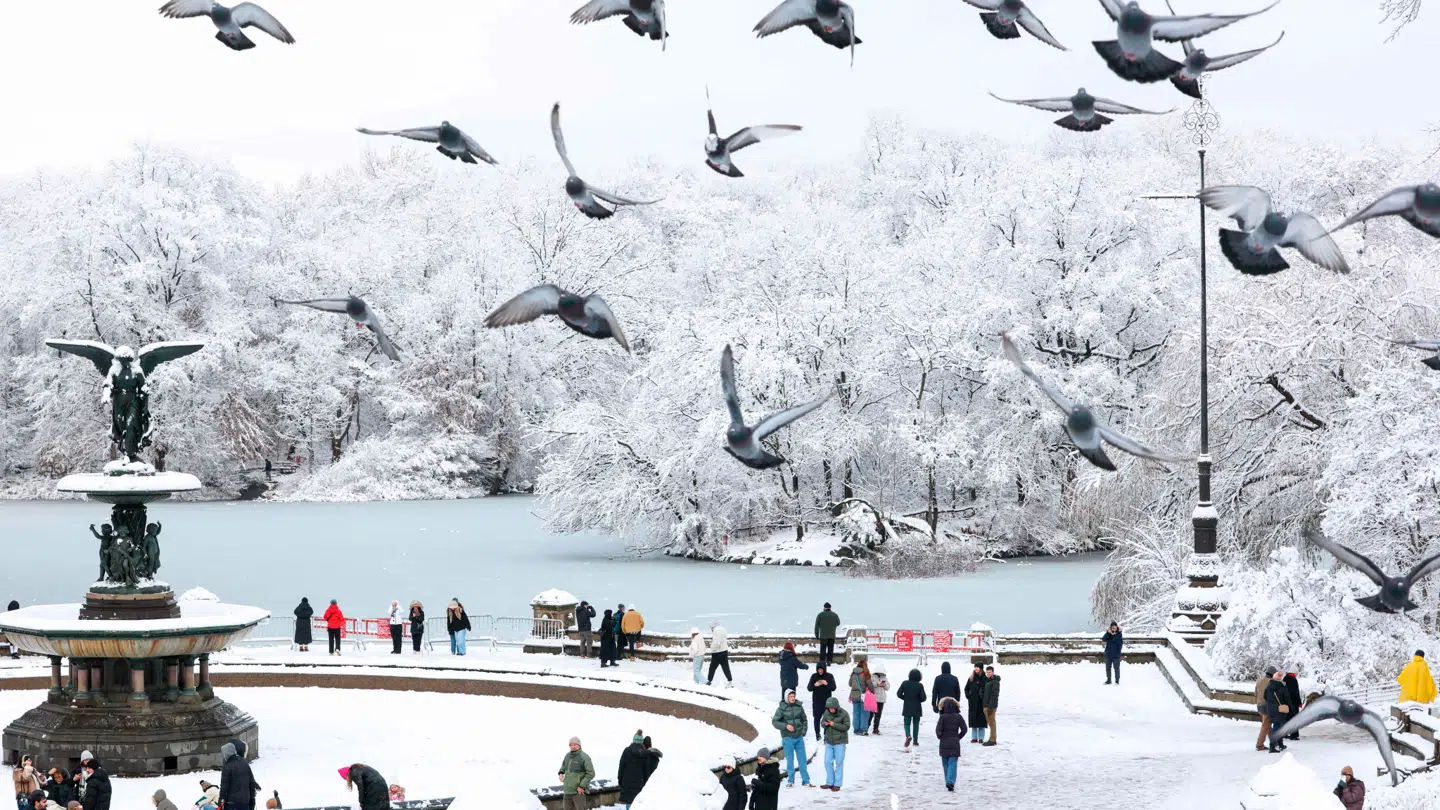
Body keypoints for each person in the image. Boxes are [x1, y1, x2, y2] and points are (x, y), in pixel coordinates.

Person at [771, 689, 812, 788]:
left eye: (794, 696)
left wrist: (803, 732)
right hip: (787, 738)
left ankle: (806, 780)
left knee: (802, 760)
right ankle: (791, 781)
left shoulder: (799, 706)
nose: (793, 698)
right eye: (790, 697)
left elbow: (804, 720)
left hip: (799, 738)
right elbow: (775, 722)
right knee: (790, 760)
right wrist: (785, 726)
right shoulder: (781, 709)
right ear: (786, 697)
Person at [935, 697, 967, 792]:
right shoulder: (958, 716)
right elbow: (964, 729)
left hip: (944, 743)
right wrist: (958, 737)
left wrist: (941, 737)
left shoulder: (942, 717)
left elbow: (938, 730)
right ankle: (950, 781)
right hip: (955, 743)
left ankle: (948, 780)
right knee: (953, 763)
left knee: (945, 763)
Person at [820, 697, 851, 792]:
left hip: (840, 742)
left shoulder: (844, 713)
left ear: (836, 707)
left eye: (832, 708)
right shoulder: (826, 712)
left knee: (839, 762)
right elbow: (822, 723)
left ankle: (837, 784)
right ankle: (829, 782)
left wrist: (834, 724)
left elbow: (846, 727)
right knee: (827, 762)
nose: (831, 710)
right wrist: (825, 724)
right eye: (829, 708)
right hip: (829, 741)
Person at [557, 737, 595, 810]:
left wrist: (582, 786)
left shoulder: (584, 757)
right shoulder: (567, 755)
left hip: (578, 792)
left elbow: (591, 773)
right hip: (567, 791)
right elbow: (563, 766)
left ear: (579, 745)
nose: (573, 746)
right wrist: (561, 773)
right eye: (571, 745)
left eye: (575, 745)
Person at [219, 742, 260, 810]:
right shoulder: (244, 763)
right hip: (245, 802)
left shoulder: (227, 766)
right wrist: (252, 801)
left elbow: (224, 788)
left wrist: (220, 804)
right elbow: (251, 782)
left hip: (231, 803)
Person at [616, 731, 650, 809]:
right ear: (641, 742)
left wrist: (620, 779)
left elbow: (621, 767)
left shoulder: (627, 751)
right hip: (639, 783)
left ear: (633, 740)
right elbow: (646, 771)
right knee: (638, 804)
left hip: (627, 782)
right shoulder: (645, 753)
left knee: (629, 802)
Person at [896, 668, 928, 749]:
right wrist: (917, 700)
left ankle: (908, 735)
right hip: (917, 708)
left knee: (907, 723)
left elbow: (898, 694)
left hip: (907, 707)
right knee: (916, 724)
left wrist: (905, 698)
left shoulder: (905, 683)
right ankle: (915, 741)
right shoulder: (920, 685)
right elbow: (923, 698)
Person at [1264, 669, 1291, 753]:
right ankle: (1272, 746)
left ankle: (1280, 744)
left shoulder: (1269, 685)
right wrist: (1290, 707)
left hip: (1271, 709)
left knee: (1277, 726)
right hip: (1280, 709)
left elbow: (1265, 696)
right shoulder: (1281, 686)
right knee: (1277, 727)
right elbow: (1287, 699)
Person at [808, 664, 837, 741]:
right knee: (816, 719)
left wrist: (826, 683)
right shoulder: (814, 676)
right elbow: (809, 688)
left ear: (824, 669)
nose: (820, 671)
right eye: (819, 669)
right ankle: (817, 734)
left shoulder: (829, 676)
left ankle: (826, 735)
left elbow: (833, 688)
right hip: (816, 702)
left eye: (821, 669)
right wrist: (815, 685)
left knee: (827, 719)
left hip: (827, 703)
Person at [964, 664, 989, 743]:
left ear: (981, 668)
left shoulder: (985, 678)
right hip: (973, 703)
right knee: (974, 721)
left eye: (977, 667)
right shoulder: (971, 678)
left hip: (982, 703)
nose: (975, 669)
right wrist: (969, 696)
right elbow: (966, 689)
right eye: (975, 667)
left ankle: (981, 738)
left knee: (982, 721)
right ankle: (974, 737)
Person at [848, 659, 872, 735]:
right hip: (863, 695)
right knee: (864, 713)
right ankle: (863, 729)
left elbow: (850, 684)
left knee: (856, 713)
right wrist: (872, 691)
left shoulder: (853, 673)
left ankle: (856, 729)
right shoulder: (865, 674)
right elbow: (870, 685)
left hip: (854, 696)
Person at [1254, 666, 1276, 752]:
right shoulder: (1272, 682)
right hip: (1267, 706)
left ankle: (1273, 741)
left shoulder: (1259, 681)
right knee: (1265, 726)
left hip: (1259, 706)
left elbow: (1255, 694)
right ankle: (1259, 745)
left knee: (1267, 725)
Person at [708, 621, 733, 687]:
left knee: (712, 668)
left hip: (717, 653)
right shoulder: (723, 629)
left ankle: (709, 681)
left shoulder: (716, 631)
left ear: (713, 627)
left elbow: (717, 642)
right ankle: (730, 681)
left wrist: (712, 649)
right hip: (724, 651)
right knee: (726, 667)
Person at [982, 664, 1001, 746]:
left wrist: (990, 706)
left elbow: (994, 695)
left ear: (993, 672)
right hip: (986, 705)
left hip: (991, 706)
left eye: (990, 672)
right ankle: (992, 738)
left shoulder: (995, 682)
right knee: (990, 722)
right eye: (987, 672)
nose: (988, 673)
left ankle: (992, 740)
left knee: (992, 722)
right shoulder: (988, 681)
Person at [1283, 669, 1303, 740]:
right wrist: (1299, 702)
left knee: (1287, 718)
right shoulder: (1293, 680)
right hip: (1293, 703)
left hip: (1286, 702)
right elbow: (1295, 692)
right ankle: (1293, 735)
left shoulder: (1285, 678)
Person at [870, 666, 889, 734]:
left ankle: (875, 729)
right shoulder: (872, 677)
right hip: (874, 698)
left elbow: (887, 688)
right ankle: (866, 727)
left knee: (878, 715)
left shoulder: (884, 678)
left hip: (881, 699)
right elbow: (869, 685)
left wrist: (884, 684)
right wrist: (877, 684)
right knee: (870, 714)